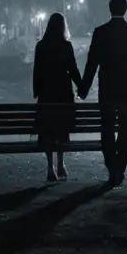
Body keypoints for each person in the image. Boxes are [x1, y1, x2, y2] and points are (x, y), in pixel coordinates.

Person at [79, 0, 127, 187]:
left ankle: (111, 168)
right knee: (126, 131)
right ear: (125, 9)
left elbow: (92, 63)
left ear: (110, 9)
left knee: (107, 130)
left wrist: (84, 88)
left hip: (107, 90)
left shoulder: (100, 32)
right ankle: (120, 168)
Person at [33, 12, 82, 182]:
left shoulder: (40, 46)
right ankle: (61, 164)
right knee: (61, 129)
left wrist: (36, 91)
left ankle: (50, 168)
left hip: (47, 93)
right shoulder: (66, 46)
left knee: (47, 131)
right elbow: (73, 70)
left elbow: (37, 71)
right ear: (63, 27)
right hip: (63, 94)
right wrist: (82, 88)